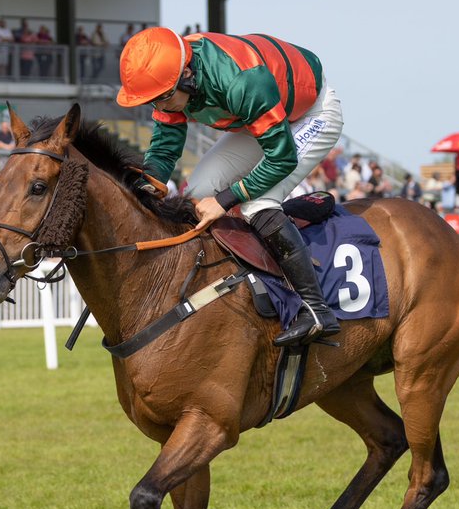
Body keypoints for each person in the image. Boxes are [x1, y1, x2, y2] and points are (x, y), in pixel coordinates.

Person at [115, 27, 342, 346]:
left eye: (164, 99)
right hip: (259, 119)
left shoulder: (240, 81)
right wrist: (147, 183)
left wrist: (225, 199)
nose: (162, 108)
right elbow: (166, 144)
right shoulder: (171, 82)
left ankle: (316, 308)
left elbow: (281, 159)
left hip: (310, 114)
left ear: (188, 76)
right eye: (153, 102)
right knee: (197, 192)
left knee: (256, 204)